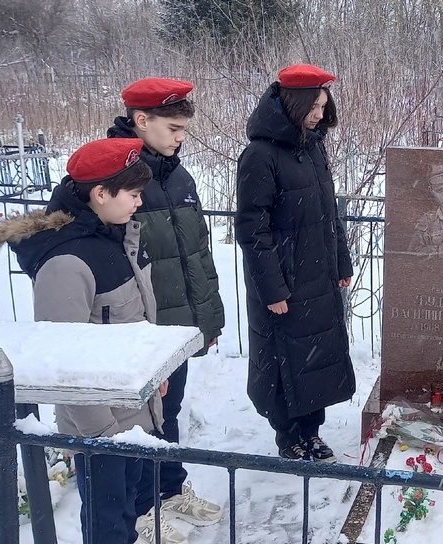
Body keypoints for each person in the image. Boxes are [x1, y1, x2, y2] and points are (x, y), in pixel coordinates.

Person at [0, 138, 166, 544]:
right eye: (134, 194)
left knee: (130, 514)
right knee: (108, 524)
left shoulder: (113, 234)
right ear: (100, 194)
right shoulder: (66, 261)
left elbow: (134, 319)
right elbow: (63, 361)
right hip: (101, 428)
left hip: (135, 412)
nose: (139, 203)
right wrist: (100, 433)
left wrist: (154, 373)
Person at [107, 77, 224, 542]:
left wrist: (205, 320)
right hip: (139, 330)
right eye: (173, 128)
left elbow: (196, 254)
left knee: (167, 412)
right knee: (138, 422)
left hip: (177, 325)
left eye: (184, 129)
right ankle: (140, 512)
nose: (181, 138)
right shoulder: (112, 173)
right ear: (141, 121)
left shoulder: (178, 174)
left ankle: (169, 488)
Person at [236, 63, 355, 462]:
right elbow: (254, 230)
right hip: (284, 281)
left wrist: (341, 261)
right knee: (285, 360)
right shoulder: (260, 155)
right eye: (314, 106)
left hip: (317, 275)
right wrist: (272, 288)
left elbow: (328, 213)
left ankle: (312, 432)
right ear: (292, 103)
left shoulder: (314, 147)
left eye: (324, 106)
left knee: (316, 359)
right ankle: (288, 437)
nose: (320, 114)